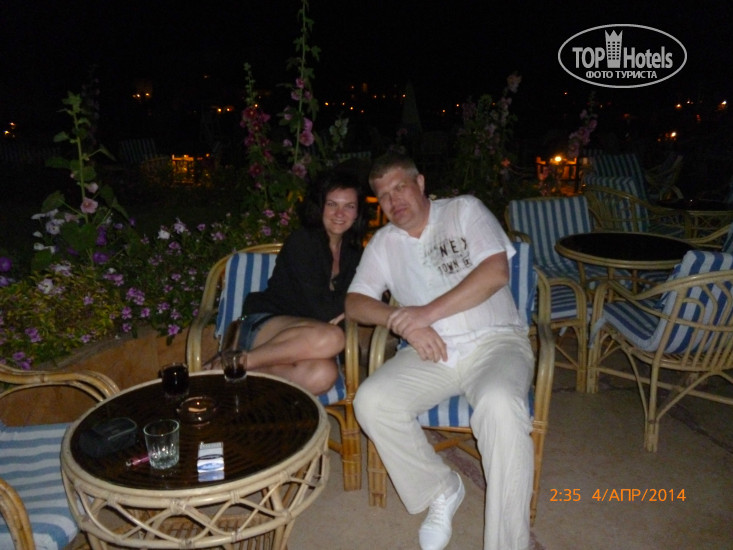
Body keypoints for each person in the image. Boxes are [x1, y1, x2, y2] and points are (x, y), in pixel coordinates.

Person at [346, 153, 534, 550]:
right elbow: (355, 303)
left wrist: (423, 315)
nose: (393, 200)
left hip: (495, 342)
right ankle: (441, 488)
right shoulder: (384, 243)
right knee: (372, 401)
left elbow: (496, 272)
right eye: (383, 195)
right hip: (430, 353)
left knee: (500, 405)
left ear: (420, 183)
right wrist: (402, 322)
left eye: (400, 187)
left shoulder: (463, 211)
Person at [208, 170, 367, 395]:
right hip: (265, 326)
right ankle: (235, 362)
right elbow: (322, 311)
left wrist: (353, 304)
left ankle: (244, 382)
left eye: (349, 206)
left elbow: (372, 293)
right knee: (333, 337)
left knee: (323, 374)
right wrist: (351, 305)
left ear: (357, 212)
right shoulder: (303, 241)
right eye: (332, 204)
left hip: (307, 342)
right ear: (320, 206)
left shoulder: (353, 251)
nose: (340, 213)